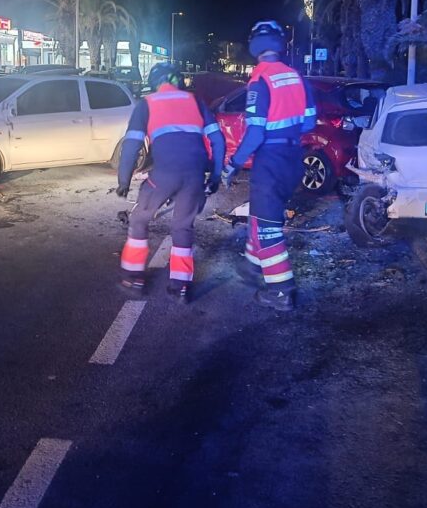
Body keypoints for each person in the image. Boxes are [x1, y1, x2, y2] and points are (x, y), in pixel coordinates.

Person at [223, 20, 317, 311]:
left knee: (268, 228)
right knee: (262, 215)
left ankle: (280, 290)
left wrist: (233, 164)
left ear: (255, 47)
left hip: (271, 161)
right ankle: (253, 265)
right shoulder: (297, 77)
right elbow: (310, 122)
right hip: (293, 159)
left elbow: (255, 133)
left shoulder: (260, 80)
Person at [116, 62, 226, 303]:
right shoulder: (195, 101)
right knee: (182, 226)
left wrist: (123, 180)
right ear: (178, 80)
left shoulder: (147, 103)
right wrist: (215, 176)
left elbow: (132, 145)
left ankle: (133, 278)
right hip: (195, 175)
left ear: (154, 83)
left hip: (164, 174)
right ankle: (181, 286)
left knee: (138, 219)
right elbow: (218, 140)